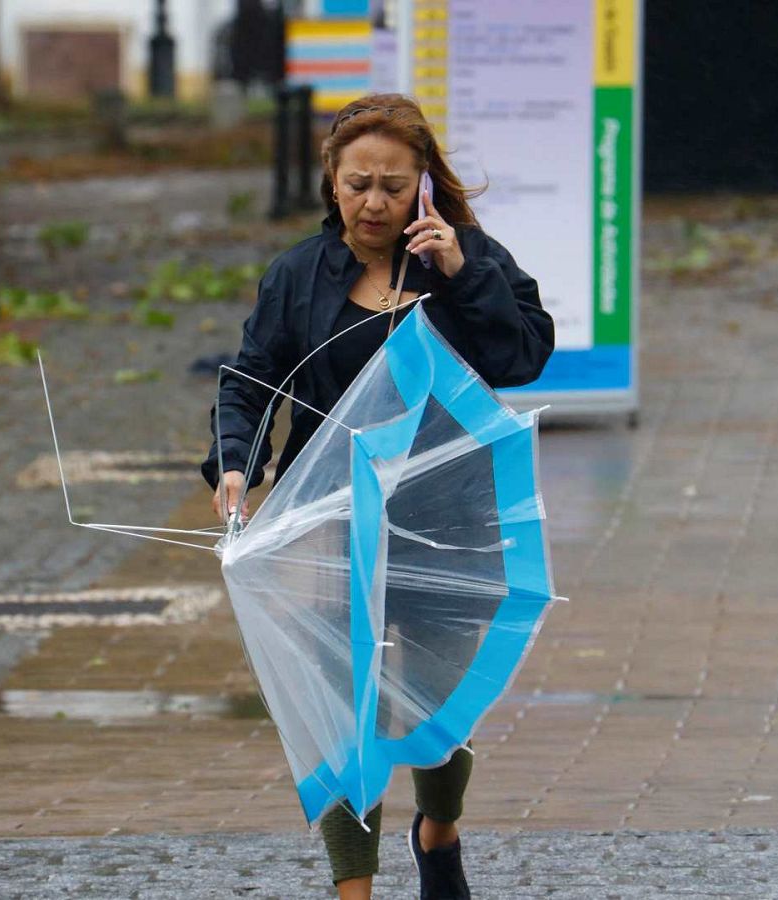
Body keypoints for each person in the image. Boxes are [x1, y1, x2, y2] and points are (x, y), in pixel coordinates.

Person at [202, 93, 554, 900]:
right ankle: (353, 890)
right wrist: (235, 463)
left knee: (434, 703)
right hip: (329, 526)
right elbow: (249, 383)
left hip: (445, 521)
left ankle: (439, 829)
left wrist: (462, 275)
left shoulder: (467, 259)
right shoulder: (296, 276)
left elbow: (523, 357)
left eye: (393, 187)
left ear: (423, 184)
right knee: (341, 712)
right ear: (331, 180)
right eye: (357, 184)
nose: (373, 203)